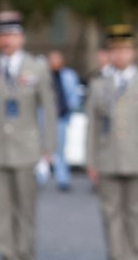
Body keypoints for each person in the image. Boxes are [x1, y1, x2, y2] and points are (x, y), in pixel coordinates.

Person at [0, 10, 56, 260]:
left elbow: (49, 109)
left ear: (21, 37)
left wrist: (49, 148)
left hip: (27, 150)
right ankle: (7, 254)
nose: (6, 40)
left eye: (11, 34)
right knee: (2, 210)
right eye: (1, 35)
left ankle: (25, 254)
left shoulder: (37, 67)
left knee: (26, 210)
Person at [86, 24, 138, 260]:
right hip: (107, 159)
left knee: (136, 217)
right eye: (115, 50)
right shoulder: (98, 85)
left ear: (134, 53)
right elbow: (92, 127)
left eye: (125, 50)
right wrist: (91, 162)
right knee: (111, 217)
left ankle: (136, 256)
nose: (120, 55)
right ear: (109, 53)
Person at [47, 49, 81, 191]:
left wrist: (69, 109)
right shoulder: (43, 76)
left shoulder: (68, 76)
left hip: (61, 117)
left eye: (57, 59)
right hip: (45, 119)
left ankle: (62, 178)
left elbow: (74, 96)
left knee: (60, 150)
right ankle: (39, 177)